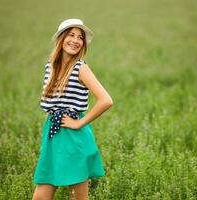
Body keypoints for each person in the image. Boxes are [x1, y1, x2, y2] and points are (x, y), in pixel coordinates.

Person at [32, 19, 113, 200]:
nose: (76, 40)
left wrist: (79, 123)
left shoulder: (80, 68)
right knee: (40, 197)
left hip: (73, 136)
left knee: (77, 197)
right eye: (71, 35)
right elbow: (51, 104)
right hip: (53, 135)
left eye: (80, 37)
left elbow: (106, 100)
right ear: (60, 39)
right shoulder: (50, 67)